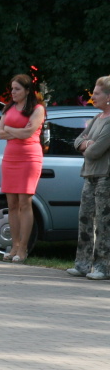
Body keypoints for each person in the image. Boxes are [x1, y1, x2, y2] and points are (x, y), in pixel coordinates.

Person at [0, 74, 45, 263]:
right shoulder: (8, 108)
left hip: (29, 158)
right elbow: (0, 134)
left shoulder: (37, 109)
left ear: (27, 90)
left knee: (25, 202)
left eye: (17, 89)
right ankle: (14, 246)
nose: (13, 92)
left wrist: (10, 130)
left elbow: (28, 132)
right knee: (12, 204)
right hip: (10, 158)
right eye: (12, 89)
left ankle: (23, 248)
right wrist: (15, 131)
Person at [67, 77, 110, 280]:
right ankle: (82, 265)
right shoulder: (96, 118)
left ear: (109, 97)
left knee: (103, 222)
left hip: (105, 176)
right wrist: (86, 144)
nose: (93, 96)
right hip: (89, 174)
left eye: (97, 93)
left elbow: (95, 151)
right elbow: (77, 141)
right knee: (85, 219)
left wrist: (87, 145)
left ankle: (103, 267)